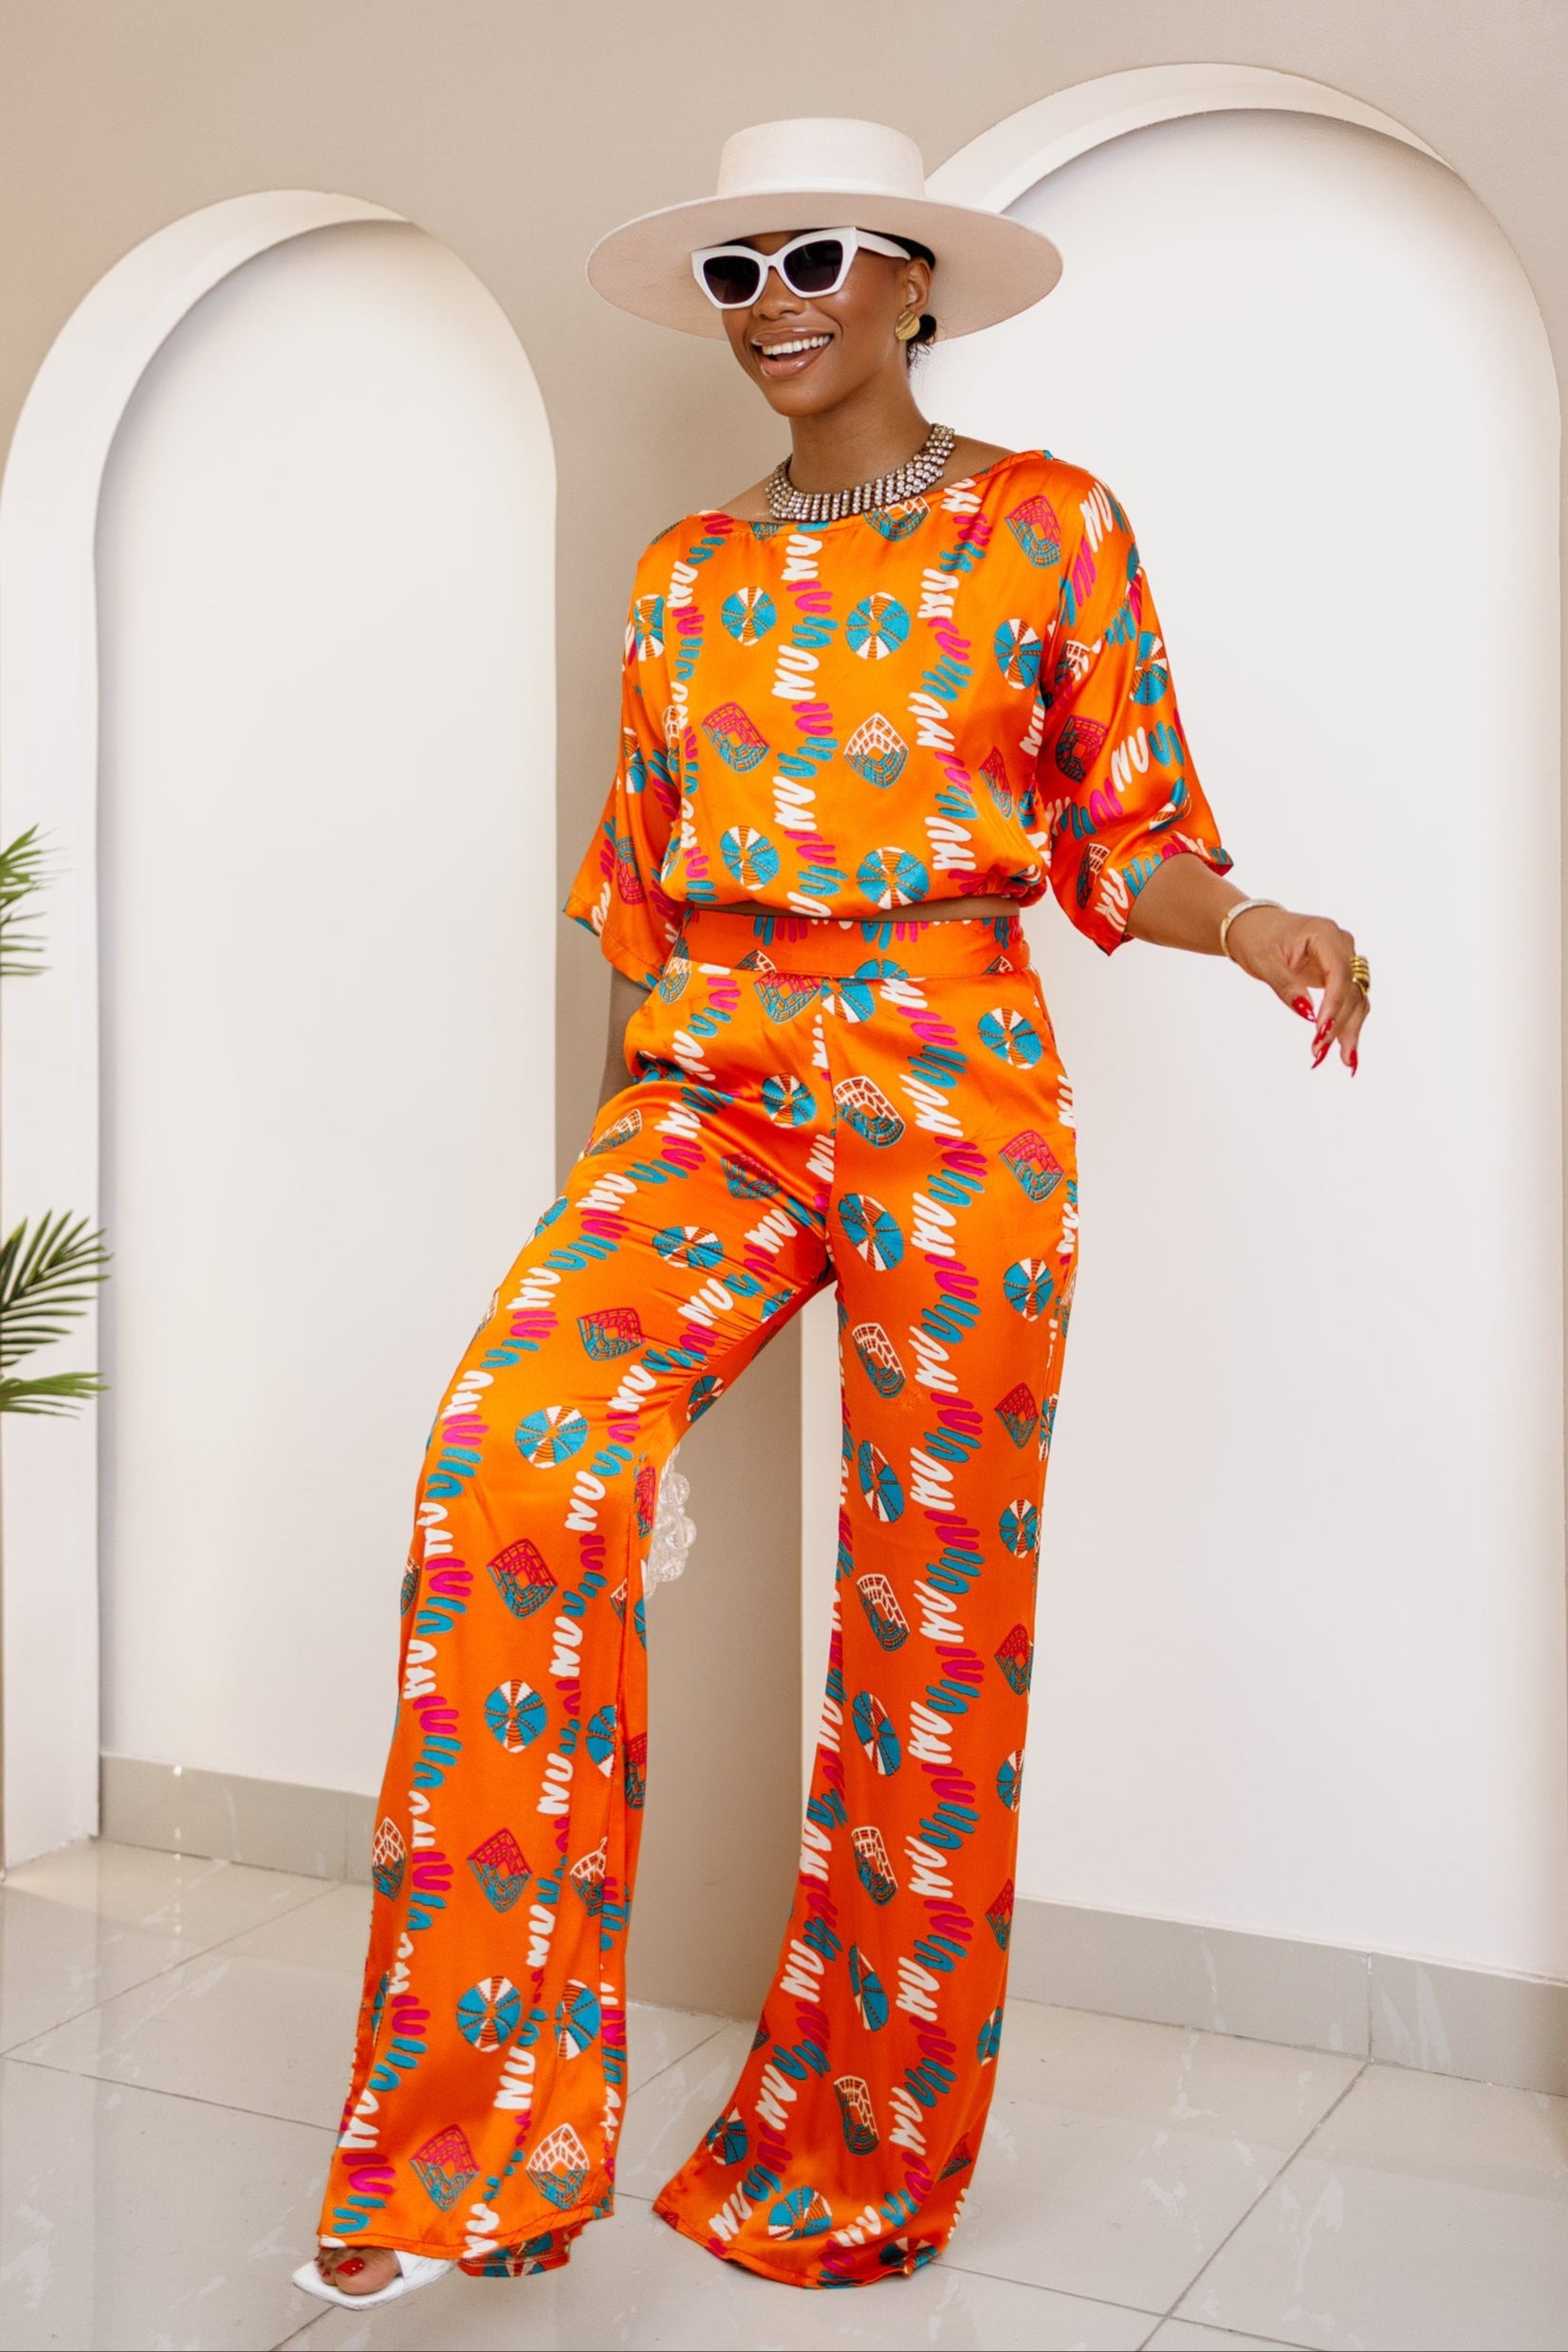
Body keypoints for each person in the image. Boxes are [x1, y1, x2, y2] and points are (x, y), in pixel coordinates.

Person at [295, 115, 1370, 2311]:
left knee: (923, 1646)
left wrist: (1247, 922)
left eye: (813, 256)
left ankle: (851, 2160)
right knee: (504, 1479)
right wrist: (605, 1224)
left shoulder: (1043, 526)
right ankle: (469, 2157)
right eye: (734, 271)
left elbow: (1123, 834)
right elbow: (632, 907)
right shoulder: (683, 576)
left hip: (955, 1091)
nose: (772, 299)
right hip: (708, 1086)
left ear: (911, 283)